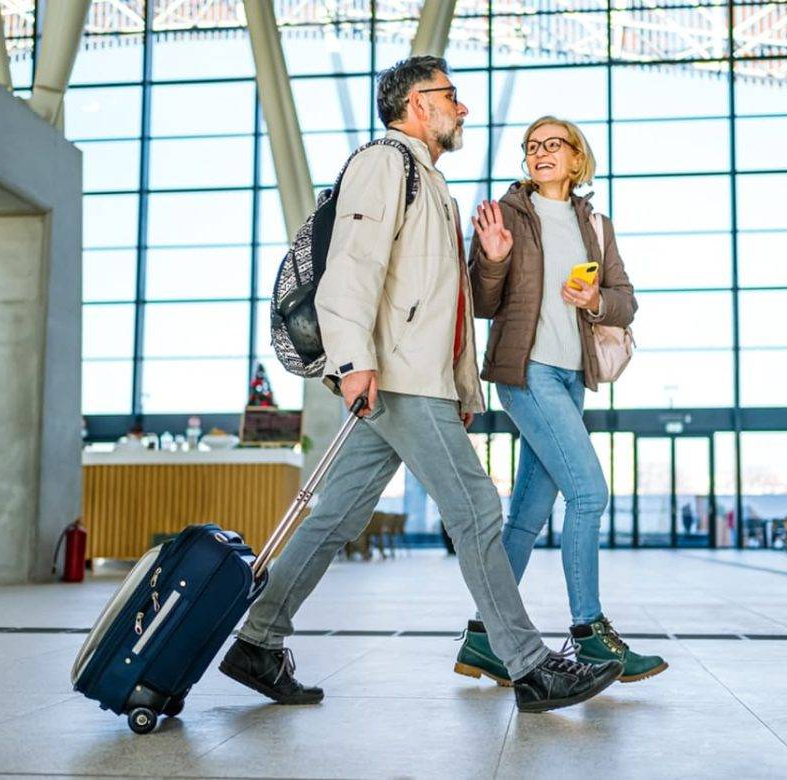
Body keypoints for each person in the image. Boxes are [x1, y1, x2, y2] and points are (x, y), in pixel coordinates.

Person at [218, 57, 621, 714]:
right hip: (398, 376)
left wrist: (461, 382)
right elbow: (353, 268)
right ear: (415, 104)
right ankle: (529, 666)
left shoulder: (429, 181)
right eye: (451, 96)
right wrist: (352, 362)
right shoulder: (386, 164)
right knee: (479, 513)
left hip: (412, 377)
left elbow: (441, 302)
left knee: (339, 515)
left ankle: (257, 642)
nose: (462, 109)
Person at [455, 115, 666, 686]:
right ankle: (590, 635)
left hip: (572, 378)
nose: (541, 152)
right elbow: (480, 299)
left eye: (554, 144)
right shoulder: (506, 214)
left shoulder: (595, 223)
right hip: (526, 373)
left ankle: (482, 640)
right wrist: (493, 257)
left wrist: (597, 299)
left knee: (526, 517)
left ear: (577, 158)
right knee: (590, 494)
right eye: (532, 146)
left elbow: (626, 301)